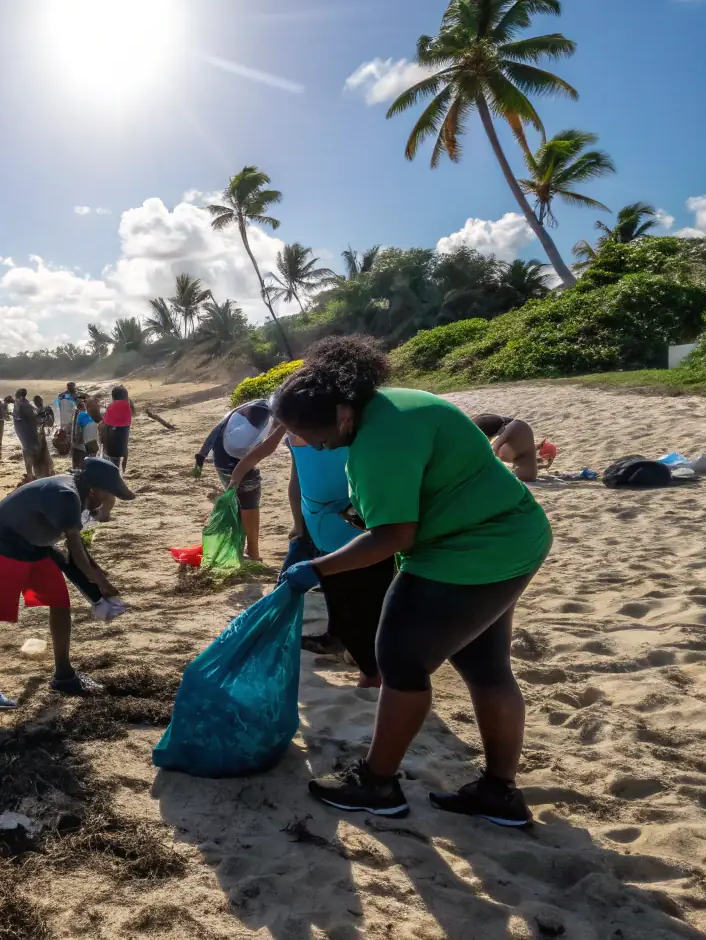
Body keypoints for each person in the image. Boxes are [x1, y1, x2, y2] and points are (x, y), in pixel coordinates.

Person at [273, 336, 551, 827]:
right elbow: (429, 483)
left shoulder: (377, 443)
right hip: (515, 535)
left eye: (312, 436)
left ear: (340, 414)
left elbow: (396, 537)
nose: (313, 446)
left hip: (467, 551)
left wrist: (316, 569)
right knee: (486, 666)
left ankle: (378, 784)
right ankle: (499, 792)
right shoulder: (392, 404)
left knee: (400, 657)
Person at [230, 427, 392, 687]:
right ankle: (330, 640)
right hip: (313, 526)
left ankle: (369, 670)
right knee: (294, 586)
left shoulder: (342, 432)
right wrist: (298, 523)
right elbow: (296, 482)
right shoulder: (293, 425)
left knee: (359, 602)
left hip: (351, 527)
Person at [0, 458, 134, 709]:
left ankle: (64, 675)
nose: (108, 500)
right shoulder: (66, 496)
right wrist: (101, 582)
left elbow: (75, 552)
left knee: (59, 600)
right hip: (1, 541)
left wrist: (100, 585)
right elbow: (76, 554)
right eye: (108, 494)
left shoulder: (79, 495)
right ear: (93, 489)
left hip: (37, 545)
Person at [194, 398, 279, 562]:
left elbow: (218, 428)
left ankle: (238, 548)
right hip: (232, 460)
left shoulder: (255, 405)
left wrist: (202, 454)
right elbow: (266, 447)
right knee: (249, 502)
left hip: (220, 459)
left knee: (240, 502)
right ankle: (253, 553)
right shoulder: (263, 412)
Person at [471, 414, 548, 483]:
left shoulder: (517, 429)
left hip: (521, 475)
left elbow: (492, 453)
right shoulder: (518, 430)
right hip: (524, 473)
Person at [12, 387, 44, 481]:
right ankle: (34, 474)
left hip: (27, 435)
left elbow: (19, 416)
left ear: (21, 397)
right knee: (33, 453)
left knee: (28, 453)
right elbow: (37, 418)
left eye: (17, 397)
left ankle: (30, 475)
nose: (16, 399)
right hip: (31, 433)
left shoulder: (22, 406)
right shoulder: (28, 405)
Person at [102, 384, 134, 471]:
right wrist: (125, 456)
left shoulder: (111, 407)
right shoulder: (127, 408)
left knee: (110, 465)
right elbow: (125, 434)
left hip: (109, 445)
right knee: (116, 465)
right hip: (120, 446)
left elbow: (105, 427)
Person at [71, 394, 102, 469]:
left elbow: (76, 434)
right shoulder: (94, 414)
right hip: (93, 441)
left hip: (84, 444)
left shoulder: (79, 415)